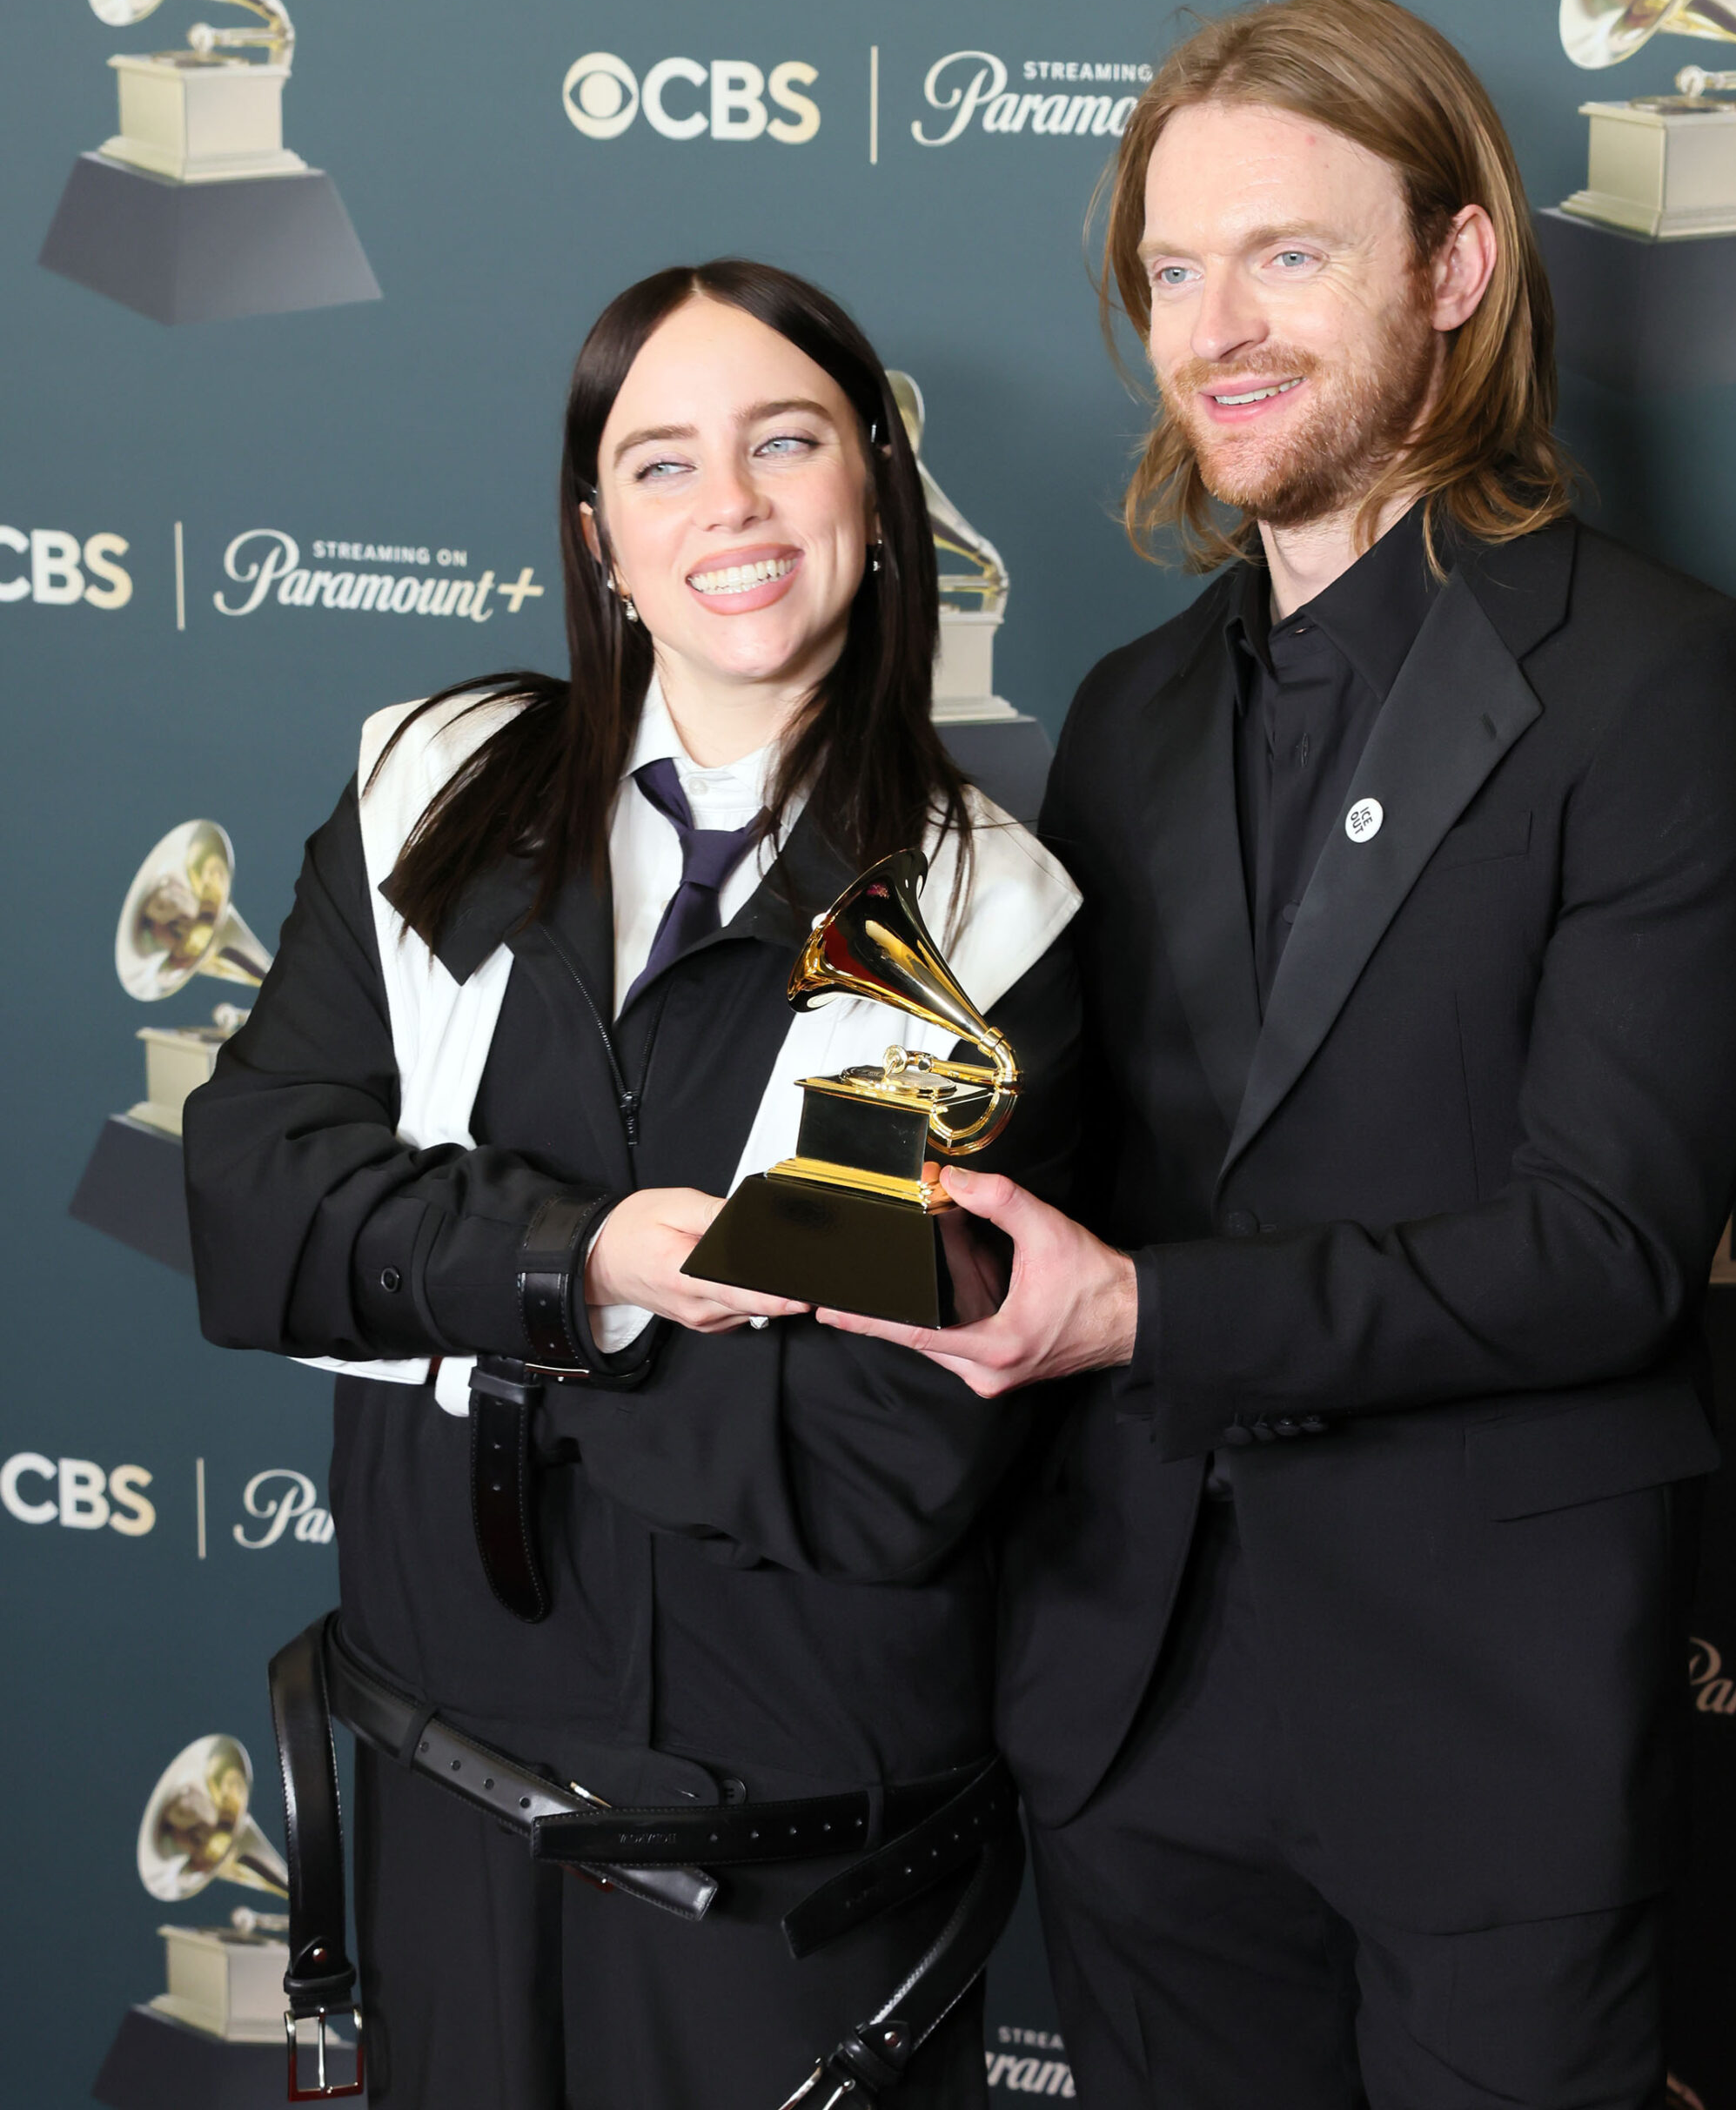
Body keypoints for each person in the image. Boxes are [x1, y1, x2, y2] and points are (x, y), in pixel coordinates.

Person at [818, 0, 1736, 2109]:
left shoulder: (1667, 682)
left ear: (1453, 269)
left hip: (1486, 1733)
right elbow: (1060, 1148)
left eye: (1285, 255)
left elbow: (1602, 1248)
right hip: (1131, 1714)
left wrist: (1138, 1311)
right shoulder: (1125, 706)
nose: (1216, 331)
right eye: (1173, 271)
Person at [184, 259, 1081, 2110]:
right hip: (438, 1823)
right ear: (597, 536)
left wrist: (437, 1308)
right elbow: (256, 1203)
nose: (727, 506)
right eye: (660, 463)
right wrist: (579, 1265)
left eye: (785, 444)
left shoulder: (971, 911)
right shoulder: (434, 785)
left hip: (783, 1890)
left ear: (876, 489)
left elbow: (862, 1450)